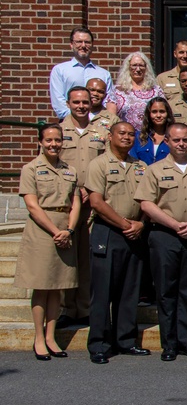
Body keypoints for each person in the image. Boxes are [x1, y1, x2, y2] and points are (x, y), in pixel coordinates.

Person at [135, 123, 187, 361]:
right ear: (167, 141)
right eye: (176, 140)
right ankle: (169, 344)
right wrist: (173, 224)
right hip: (164, 236)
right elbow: (146, 203)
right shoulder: (155, 170)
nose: (181, 144)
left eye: (185, 140)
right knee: (166, 291)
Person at [15, 124, 81, 360]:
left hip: (65, 229)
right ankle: (39, 338)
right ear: (40, 142)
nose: (54, 144)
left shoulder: (70, 170)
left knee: (58, 287)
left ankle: (52, 336)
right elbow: (32, 205)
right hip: (43, 231)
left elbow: (76, 203)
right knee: (42, 286)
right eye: (49, 140)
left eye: (58, 140)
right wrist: (55, 231)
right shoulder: (31, 169)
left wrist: (69, 230)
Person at [85, 122, 149, 364]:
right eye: (122, 133)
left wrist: (141, 223)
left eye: (131, 134)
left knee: (129, 290)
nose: (127, 137)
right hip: (108, 232)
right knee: (103, 291)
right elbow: (97, 202)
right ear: (110, 136)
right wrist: (125, 225)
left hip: (135, 233)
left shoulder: (140, 166)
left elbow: (147, 200)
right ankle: (99, 344)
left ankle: (126, 340)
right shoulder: (99, 164)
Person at [57, 87, 109, 326]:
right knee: (67, 258)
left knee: (87, 258)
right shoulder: (58, 131)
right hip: (65, 203)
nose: (81, 106)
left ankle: (86, 308)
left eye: (85, 102)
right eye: (76, 102)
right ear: (68, 103)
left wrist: (91, 189)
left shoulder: (100, 132)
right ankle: (67, 309)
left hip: (91, 202)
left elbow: (106, 164)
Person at [49, 27, 113, 120]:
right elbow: (59, 103)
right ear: (71, 44)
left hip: (98, 125)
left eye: (87, 42)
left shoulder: (104, 74)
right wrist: (80, 119)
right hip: (70, 124)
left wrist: (94, 120)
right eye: (79, 42)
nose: (83, 45)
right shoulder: (60, 70)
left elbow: (108, 102)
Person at [107, 51, 164, 131]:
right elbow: (110, 117)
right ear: (128, 67)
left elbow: (163, 114)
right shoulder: (116, 91)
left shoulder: (156, 90)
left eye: (141, 65)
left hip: (150, 136)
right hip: (125, 137)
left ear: (146, 68)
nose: (138, 69)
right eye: (134, 65)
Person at [131, 98, 173, 165]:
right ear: (149, 114)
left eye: (162, 111)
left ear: (167, 113)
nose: (158, 115)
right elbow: (132, 161)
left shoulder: (174, 138)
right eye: (154, 112)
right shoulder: (138, 137)